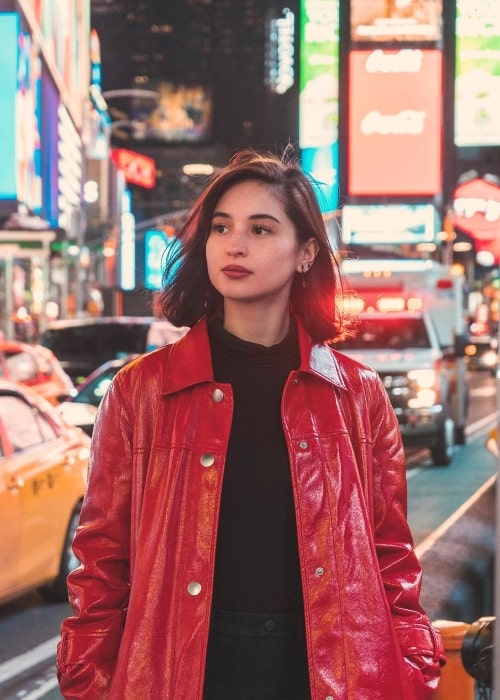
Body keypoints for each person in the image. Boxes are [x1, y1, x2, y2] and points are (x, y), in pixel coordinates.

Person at [57, 148, 445, 699]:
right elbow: (101, 560)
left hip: (330, 667)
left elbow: (391, 558)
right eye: (221, 227)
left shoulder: (356, 396)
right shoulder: (141, 390)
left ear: (306, 252)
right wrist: (89, 681)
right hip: (183, 664)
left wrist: (411, 664)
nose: (235, 245)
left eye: (261, 229)